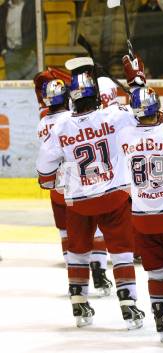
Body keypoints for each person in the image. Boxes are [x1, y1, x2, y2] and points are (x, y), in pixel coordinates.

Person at [36, 57, 144, 329]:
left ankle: (78, 301)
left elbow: (44, 170)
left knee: (78, 251)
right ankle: (128, 302)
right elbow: (146, 111)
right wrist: (136, 81)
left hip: (79, 201)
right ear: (96, 95)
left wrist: (50, 180)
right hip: (113, 197)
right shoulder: (114, 114)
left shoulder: (60, 127)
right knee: (121, 251)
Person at [117, 54, 163, 341]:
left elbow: (134, 111)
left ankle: (161, 318)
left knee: (156, 274)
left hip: (142, 219)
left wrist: (135, 82)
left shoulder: (124, 135)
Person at [34, 70, 113, 296]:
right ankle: (98, 269)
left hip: (56, 187)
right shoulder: (69, 120)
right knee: (95, 227)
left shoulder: (42, 124)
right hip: (78, 185)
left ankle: (74, 276)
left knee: (65, 232)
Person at [0, 0, 40, 79]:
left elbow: (42, 30)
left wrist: (29, 47)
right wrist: (3, 51)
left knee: (33, 85)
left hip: (29, 54)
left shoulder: (34, 6)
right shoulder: (3, 9)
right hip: (10, 55)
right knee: (13, 88)